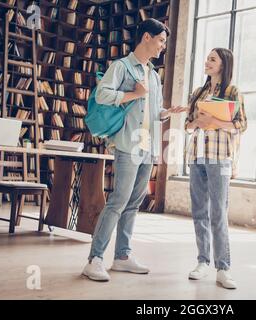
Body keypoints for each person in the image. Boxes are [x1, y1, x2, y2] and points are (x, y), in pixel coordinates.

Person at [82, 18, 184, 282]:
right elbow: (102, 94)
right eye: (161, 40)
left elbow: (153, 112)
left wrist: (168, 113)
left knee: (133, 204)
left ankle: (122, 257)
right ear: (147, 37)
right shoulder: (122, 66)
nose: (163, 46)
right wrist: (133, 95)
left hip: (148, 147)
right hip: (128, 144)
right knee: (117, 202)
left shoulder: (152, 74)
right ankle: (94, 260)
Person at [184, 48, 247, 289]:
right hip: (196, 156)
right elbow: (188, 126)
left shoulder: (233, 91)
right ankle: (202, 262)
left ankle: (223, 267)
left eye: (212, 59)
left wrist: (215, 122)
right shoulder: (198, 92)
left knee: (218, 212)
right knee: (199, 210)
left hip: (220, 158)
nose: (207, 62)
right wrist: (195, 123)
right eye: (207, 58)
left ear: (223, 64)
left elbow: (241, 124)